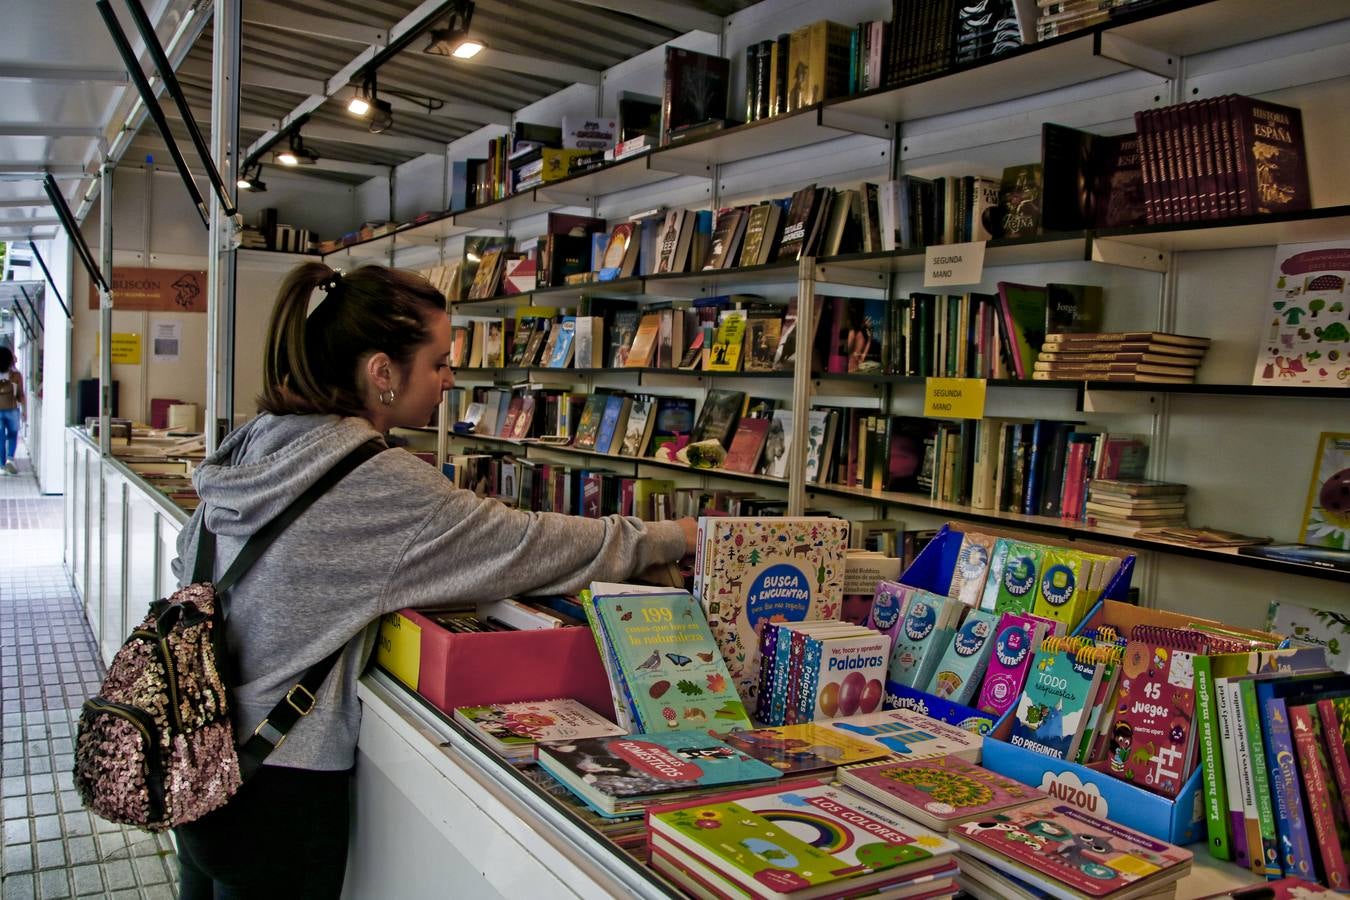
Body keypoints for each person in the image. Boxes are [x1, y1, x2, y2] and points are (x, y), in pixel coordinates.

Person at [169, 263, 697, 898]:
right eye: (440, 361)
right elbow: (525, 545)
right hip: (281, 784)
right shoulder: (374, 476)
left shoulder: (258, 439)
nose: (451, 379)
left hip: (197, 750)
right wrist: (672, 537)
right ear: (382, 373)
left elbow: (191, 559)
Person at [0, 347, 24, 475]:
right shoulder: (16, 375)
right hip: (12, 409)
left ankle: (2, 466)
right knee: (13, 435)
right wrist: (24, 411)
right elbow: (21, 394)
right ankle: (10, 459)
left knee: (0, 438)